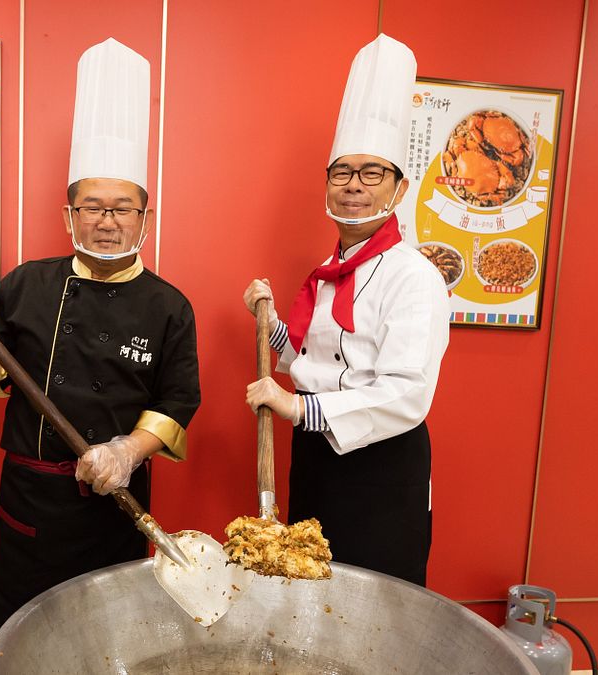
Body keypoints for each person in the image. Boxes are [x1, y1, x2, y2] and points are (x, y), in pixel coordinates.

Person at [0, 39, 200, 671]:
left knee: (108, 644)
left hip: (117, 504)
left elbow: (178, 401)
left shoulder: (170, 306)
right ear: (68, 213)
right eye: (92, 207)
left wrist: (126, 452)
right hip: (30, 500)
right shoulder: (27, 283)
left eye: (122, 208)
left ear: (145, 217)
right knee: (14, 636)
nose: (106, 222)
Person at [243, 34, 450, 586]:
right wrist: (269, 323)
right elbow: (317, 360)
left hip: (379, 466)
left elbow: (406, 393)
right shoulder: (331, 268)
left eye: (371, 173)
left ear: (398, 187)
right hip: (315, 455)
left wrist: (297, 410)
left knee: (375, 598)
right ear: (328, 185)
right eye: (342, 173)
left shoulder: (415, 277)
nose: (354, 186)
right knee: (311, 588)